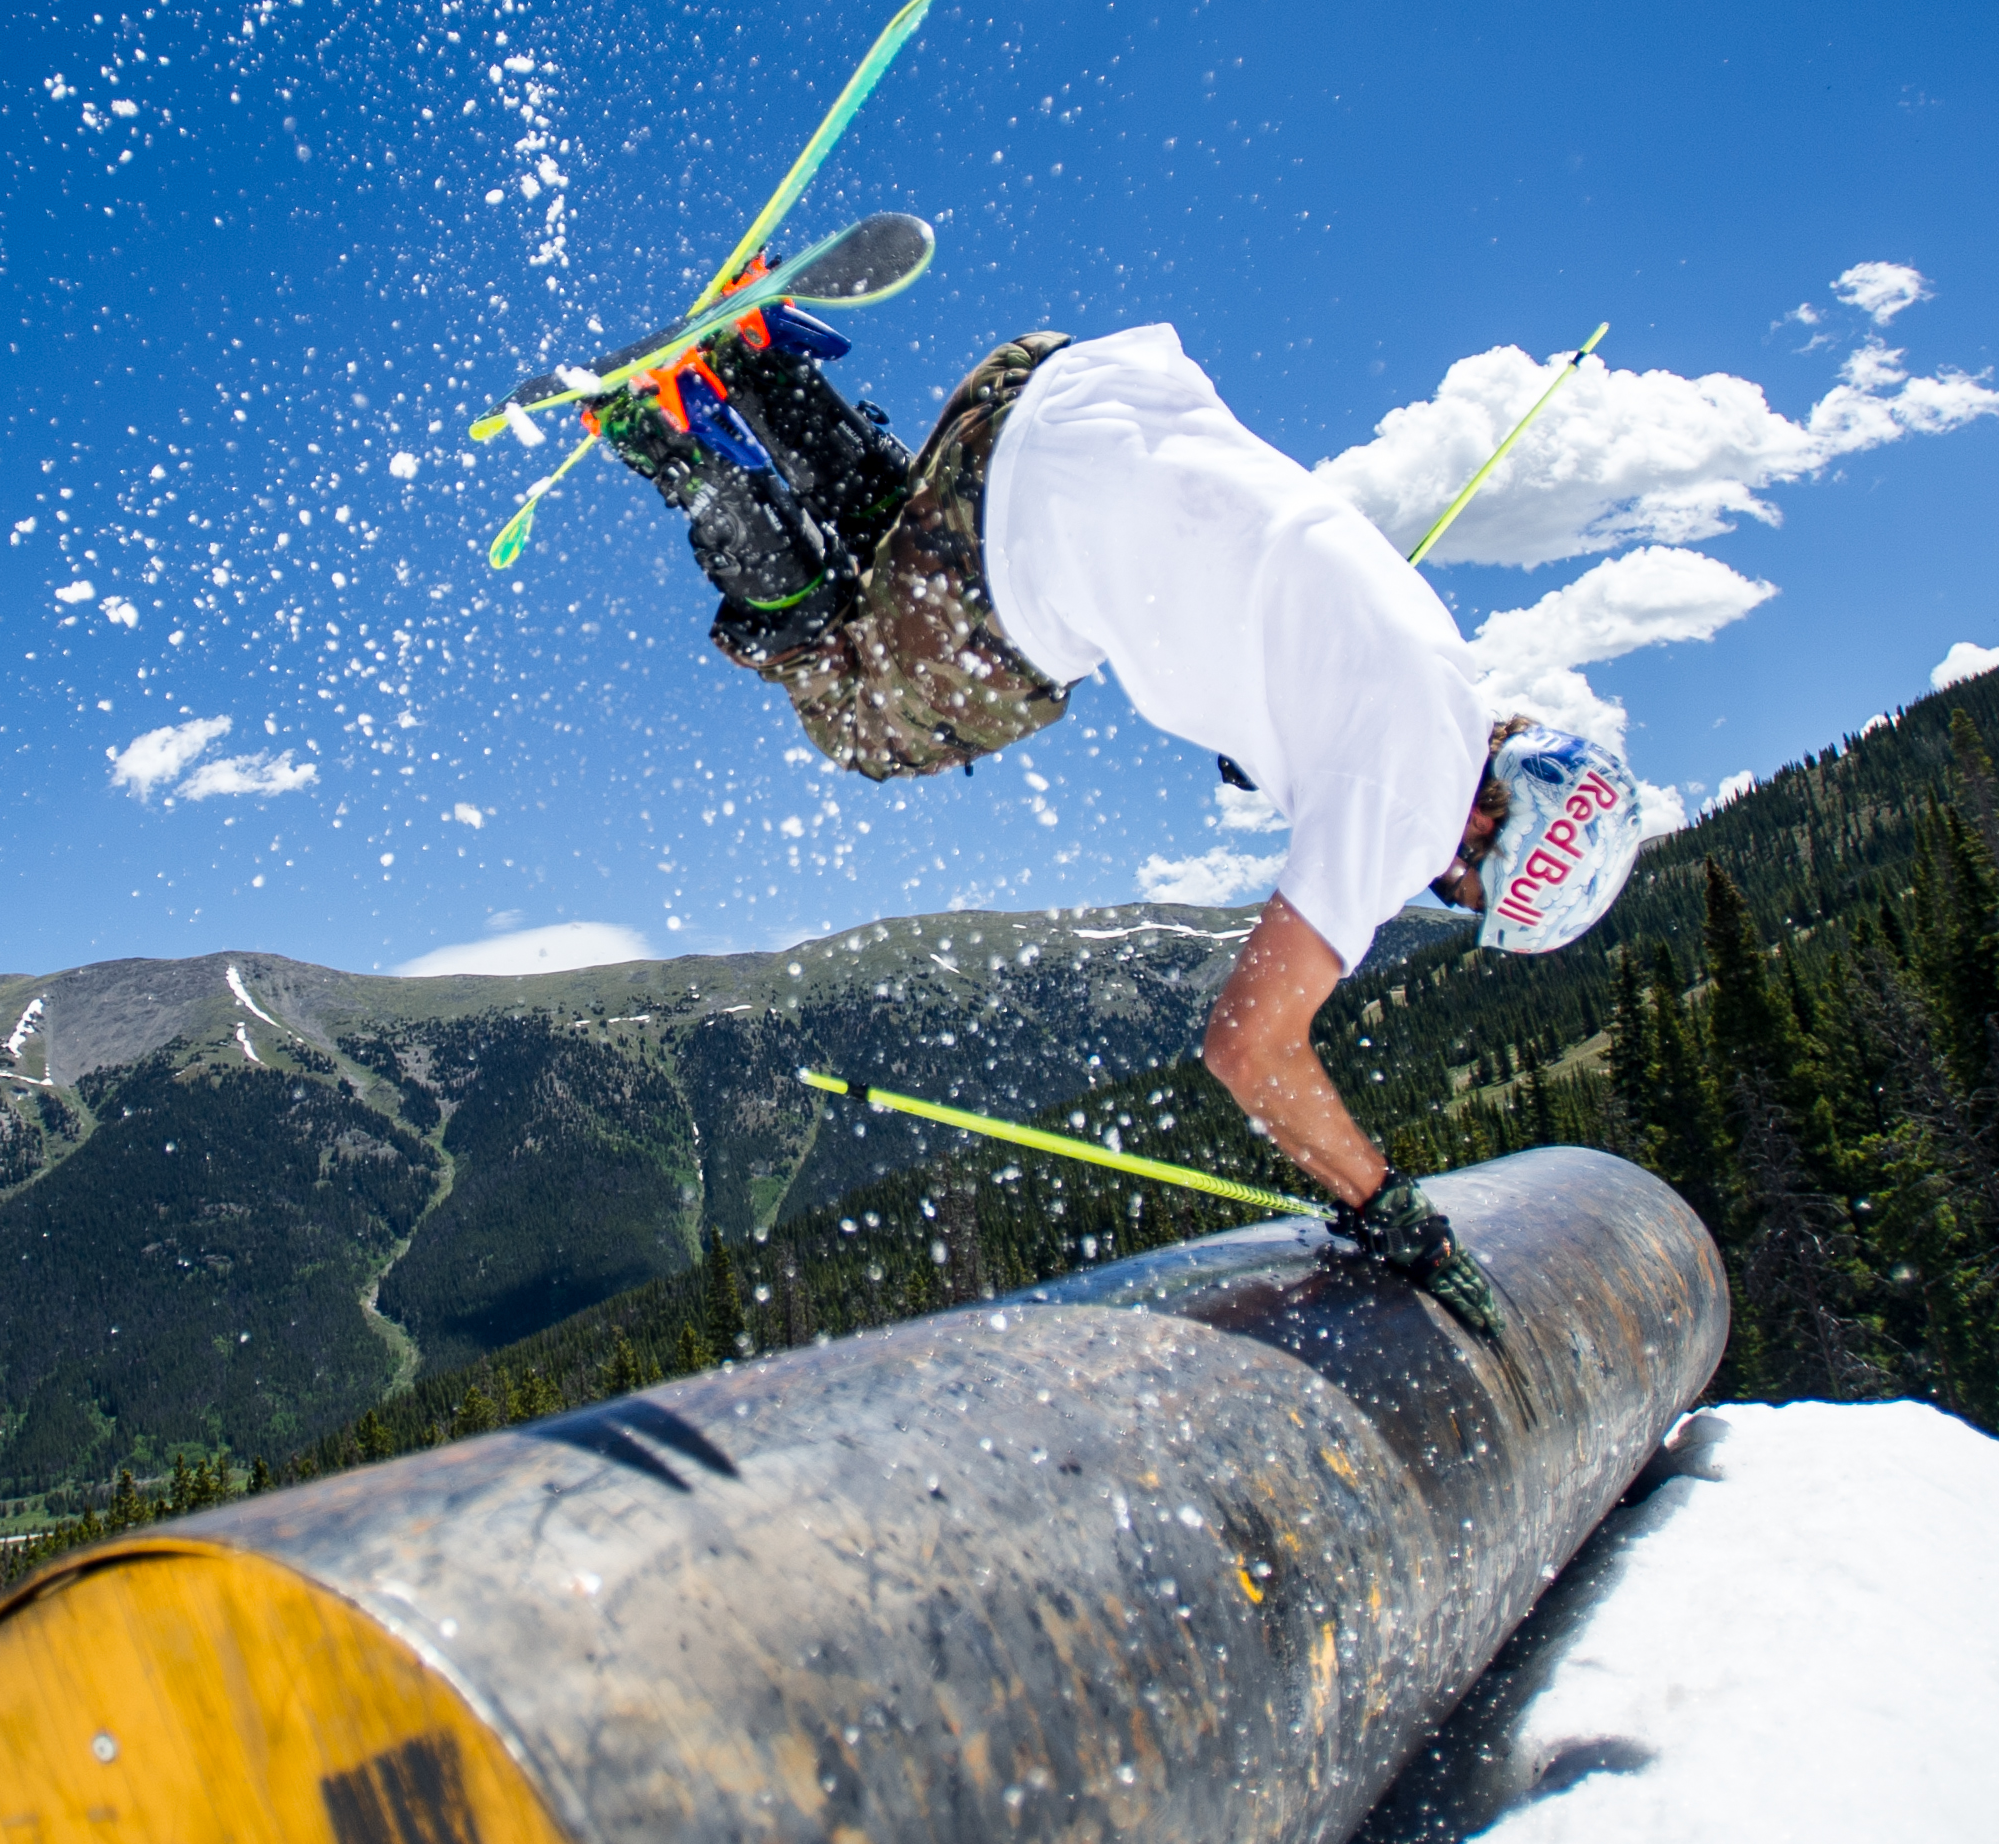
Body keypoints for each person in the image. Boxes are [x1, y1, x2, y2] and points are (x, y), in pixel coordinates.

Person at [599, 313, 1647, 1333]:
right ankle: (686, 450)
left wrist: (1258, 728)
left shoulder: (1444, 668)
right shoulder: (1413, 807)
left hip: (1048, 391)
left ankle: (764, 359)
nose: (1431, 888)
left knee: (894, 574)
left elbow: (1281, 616)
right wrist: (1384, 1206)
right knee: (868, 714)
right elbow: (1250, 1048)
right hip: (1021, 544)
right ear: (1488, 850)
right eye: (1459, 893)